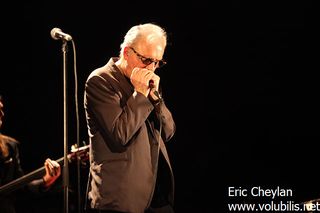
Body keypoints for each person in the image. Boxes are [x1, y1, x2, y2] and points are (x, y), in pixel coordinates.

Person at [84, 23, 176, 213]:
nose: (151, 68)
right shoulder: (101, 81)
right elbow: (120, 135)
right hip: (120, 200)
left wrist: (155, 99)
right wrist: (140, 95)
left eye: (157, 62)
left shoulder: (149, 81)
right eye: (146, 60)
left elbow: (168, 131)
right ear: (126, 52)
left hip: (156, 197)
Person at [0, 95, 61, 213]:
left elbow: (21, 188)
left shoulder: (10, 146)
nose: (2, 114)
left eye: (2, 109)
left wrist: (46, 180)